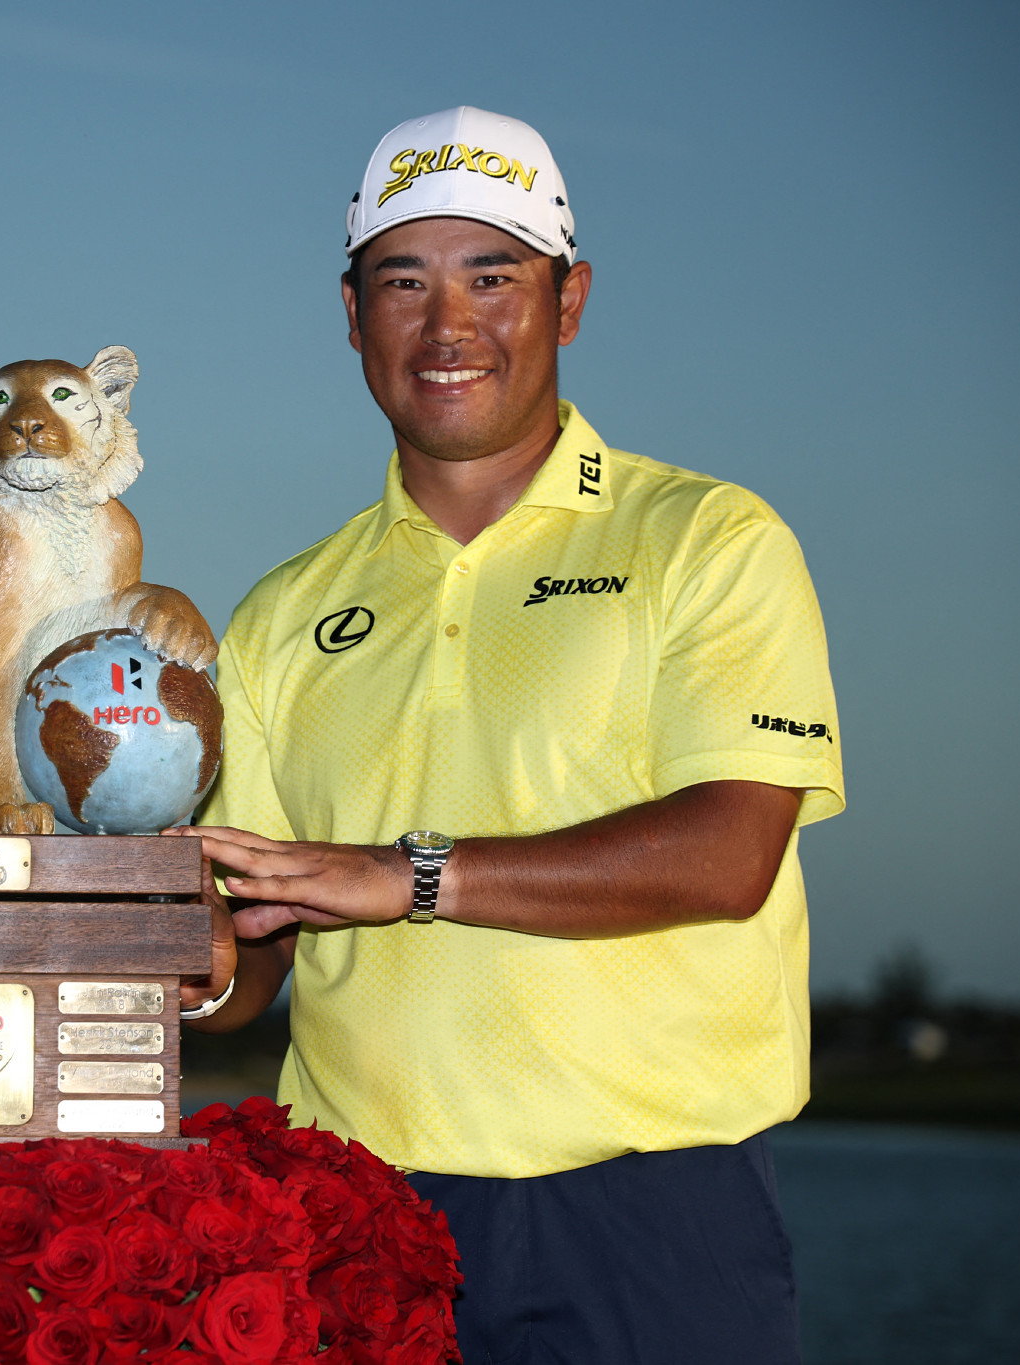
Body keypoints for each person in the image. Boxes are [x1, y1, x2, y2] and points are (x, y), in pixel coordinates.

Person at [182, 106, 842, 1364]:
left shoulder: (708, 539)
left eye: (491, 277)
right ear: (351, 314)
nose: (447, 325)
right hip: (358, 1209)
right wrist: (187, 968)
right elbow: (254, 949)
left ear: (568, 300)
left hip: (657, 1210)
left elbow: (728, 854)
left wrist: (408, 874)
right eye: (402, 282)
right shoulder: (279, 612)